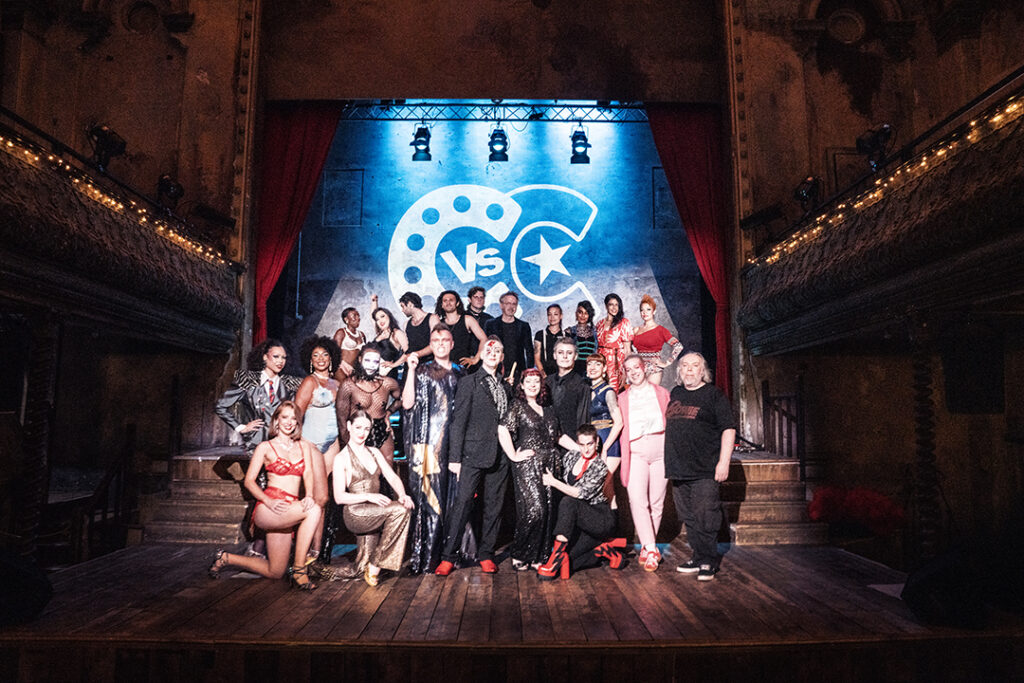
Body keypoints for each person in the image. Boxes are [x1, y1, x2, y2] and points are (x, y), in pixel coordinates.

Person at [207, 402, 322, 590]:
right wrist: (269, 501)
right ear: (276, 420)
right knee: (314, 510)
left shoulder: (304, 446)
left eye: (293, 418)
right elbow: (249, 481)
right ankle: (300, 569)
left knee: (275, 571)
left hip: (289, 510)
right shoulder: (265, 447)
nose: (289, 422)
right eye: (284, 417)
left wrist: (309, 494)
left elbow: (308, 473)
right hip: (269, 508)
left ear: (297, 423)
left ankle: (225, 557)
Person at [435, 337, 512, 575]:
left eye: (497, 351)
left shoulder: (507, 387)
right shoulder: (469, 382)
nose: (493, 353)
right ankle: (448, 557)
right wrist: (455, 458)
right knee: (463, 504)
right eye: (489, 350)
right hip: (472, 454)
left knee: (494, 507)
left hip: (500, 456)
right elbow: (458, 422)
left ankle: (486, 554)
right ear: (481, 355)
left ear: (501, 357)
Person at [498, 369, 579, 570]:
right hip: (528, 463)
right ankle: (520, 553)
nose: (533, 385)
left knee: (548, 510)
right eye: (529, 381)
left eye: (536, 381)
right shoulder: (517, 406)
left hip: (550, 464)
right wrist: (513, 455)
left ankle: (538, 555)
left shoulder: (549, 409)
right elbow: (503, 429)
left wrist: (581, 449)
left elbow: (558, 437)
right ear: (522, 385)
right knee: (534, 510)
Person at [401, 323, 465, 574]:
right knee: (431, 500)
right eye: (435, 340)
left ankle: (452, 553)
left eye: (445, 340)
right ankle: (429, 556)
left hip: (454, 446)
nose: (440, 344)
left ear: (452, 344)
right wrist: (410, 370)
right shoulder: (422, 370)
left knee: (454, 500)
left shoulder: (461, 373)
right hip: (428, 445)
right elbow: (407, 404)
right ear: (431, 344)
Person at [667, 352, 736, 582]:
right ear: (679, 371)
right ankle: (698, 557)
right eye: (684, 365)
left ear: (702, 370)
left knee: (705, 515)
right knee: (689, 516)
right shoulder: (676, 393)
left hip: (705, 467)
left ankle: (709, 560)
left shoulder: (713, 395)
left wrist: (724, 462)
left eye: (694, 365)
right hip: (679, 468)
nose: (689, 369)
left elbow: (728, 429)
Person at [333, 409, 414, 586]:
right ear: (349, 426)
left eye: (367, 429)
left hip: (374, 511)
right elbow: (339, 497)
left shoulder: (374, 452)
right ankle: (376, 565)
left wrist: (403, 495)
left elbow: (392, 476)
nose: (362, 433)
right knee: (399, 511)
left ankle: (369, 565)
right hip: (355, 513)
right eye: (358, 427)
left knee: (360, 567)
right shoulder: (341, 458)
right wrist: (369, 495)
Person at [537, 424, 626, 579]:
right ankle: (603, 551)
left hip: (601, 519)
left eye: (590, 444)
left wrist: (554, 482)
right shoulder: (571, 457)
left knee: (568, 501)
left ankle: (555, 558)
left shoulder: (600, 466)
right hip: (581, 521)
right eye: (582, 445)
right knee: (570, 561)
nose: (586, 449)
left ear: (596, 442)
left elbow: (579, 493)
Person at [617, 354, 670, 572]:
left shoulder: (662, 393)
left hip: (661, 449)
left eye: (636, 367)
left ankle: (648, 549)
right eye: (628, 369)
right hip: (636, 452)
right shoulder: (622, 398)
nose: (633, 372)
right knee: (637, 499)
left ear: (644, 368)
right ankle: (651, 548)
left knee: (657, 502)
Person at [293, 335, 340, 563]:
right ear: (310, 360)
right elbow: (296, 413)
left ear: (331, 358)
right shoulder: (309, 382)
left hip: (333, 443)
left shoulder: (337, 384)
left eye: (325, 354)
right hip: (311, 442)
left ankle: (317, 550)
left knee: (325, 499)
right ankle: (310, 550)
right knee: (318, 497)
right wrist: (296, 444)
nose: (321, 359)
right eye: (316, 355)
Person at [214, 339, 303, 454]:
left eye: (283, 358)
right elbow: (220, 406)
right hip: (255, 443)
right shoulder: (248, 380)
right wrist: (241, 427)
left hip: (282, 443)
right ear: (265, 357)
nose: (280, 361)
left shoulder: (289, 383)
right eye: (276, 356)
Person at [335, 345, 402, 465]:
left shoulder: (387, 383)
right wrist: (348, 443)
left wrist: (388, 412)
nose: (371, 365)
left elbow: (402, 399)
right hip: (358, 432)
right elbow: (342, 420)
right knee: (363, 473)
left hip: (382, 430)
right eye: (367, 360)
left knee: (387, 471)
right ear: (360, 359)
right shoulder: (348, 385)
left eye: (375, 362)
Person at [632, 294, 684, 387]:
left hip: (654, 369)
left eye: (648, 309)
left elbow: (678, 346)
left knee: (650, 394)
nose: (644, 312)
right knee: (638, 395)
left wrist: (667, 362)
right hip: (638, 368)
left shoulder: (661, 330)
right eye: (642, 310)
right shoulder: (636, 330)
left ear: (654, 311)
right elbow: (626, 347)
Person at [544, 338, 590, 445]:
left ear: (576, 356)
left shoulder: (582, 385)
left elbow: (583, 420)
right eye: (560, 353)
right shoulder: (546, 382)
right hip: (547, 442)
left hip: (571, 443)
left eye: (569, 353)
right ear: (554, 355)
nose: (564, 357)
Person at [585, 354, 623, 471]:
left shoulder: (608, 392)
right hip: (592, 440)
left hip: (607, 440)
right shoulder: (587, 391)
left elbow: (619, 422)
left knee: (605, 481)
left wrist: (605, 448)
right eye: (589, 364)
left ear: (604, 368)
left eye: (597, 364)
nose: (592, 367)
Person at [484, 291, 532, 381]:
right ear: (501, 305)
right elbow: (485, 348)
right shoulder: (490, 324)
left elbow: (529, 351)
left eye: (514, 304)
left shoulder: (524, 326)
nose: (511, 307)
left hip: (518, 373)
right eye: (508, 303)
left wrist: (528, 372)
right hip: (495, 371)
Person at [434, 289, 487, 368]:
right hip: (445, 368)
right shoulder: (439, 324)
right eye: (445, 301)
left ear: (457, 303)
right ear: (442, 305)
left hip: (464, 368)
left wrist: (476, 359)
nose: (448, 303)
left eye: (451, 300)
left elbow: (484, 339)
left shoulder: (467, 319)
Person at [596, 293, 633, 392]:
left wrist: (625, 371)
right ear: (606, 306)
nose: (614, 308)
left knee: (614, 393)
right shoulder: (599, 324)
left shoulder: (624, 322)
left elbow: (627, 350)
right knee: (601, 392)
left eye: (617, 305)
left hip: (616, 364)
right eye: (611, 304)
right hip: (601, 363)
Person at [369, 294, 408, 380]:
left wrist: (394, 364)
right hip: (373, 374)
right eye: (377, 319)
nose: (380, 321)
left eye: (382, 316)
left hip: (388, 376)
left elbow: (408, 352)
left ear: (389, 316)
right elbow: (372, 316)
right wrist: (374, 301)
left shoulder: (397, 333)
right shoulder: (380, 333)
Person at [399, 291, 439, 365]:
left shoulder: (433, 318)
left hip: (429, 365)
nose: (402, 310)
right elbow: (406, 350)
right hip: (411, 365)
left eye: (402, 306)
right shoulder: (406, 324)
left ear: (410, 304)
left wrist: (415, 355)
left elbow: (436, 344)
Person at [332, 306, 366, 381]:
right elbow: (333, 353)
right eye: (354, 316)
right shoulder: (341, 332)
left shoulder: (362, 335)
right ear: (346, 319)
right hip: (341, 367)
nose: (358, 318)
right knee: (344, 386)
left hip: (355, 370)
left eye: (358, 316)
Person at [565, 300, 598, 375]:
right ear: (576, 314)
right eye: (580, 312)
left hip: (592, 370)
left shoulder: (595, 332)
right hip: (575, 371)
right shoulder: (570, 332)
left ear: (589, 315)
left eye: (586, 313)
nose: (583, 316)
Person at [533, 304, 565, 377]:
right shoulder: (540, 334)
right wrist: (544, 376)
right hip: (545, 375)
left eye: (555, 314)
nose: (552, 317)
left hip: (562, 375)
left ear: (561, 316)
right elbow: (536, 359)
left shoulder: (566, 335)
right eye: (549, 314)